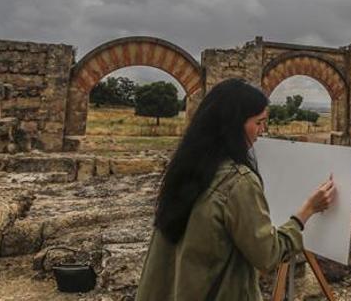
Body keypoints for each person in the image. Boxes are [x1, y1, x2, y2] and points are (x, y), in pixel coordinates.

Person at [135, 78, 336, 301]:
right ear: (234, 124)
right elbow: (268, 256)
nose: (262, 131)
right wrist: (306, 211)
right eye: (259, 122)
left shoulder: (187, 167)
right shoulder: (239, 182)